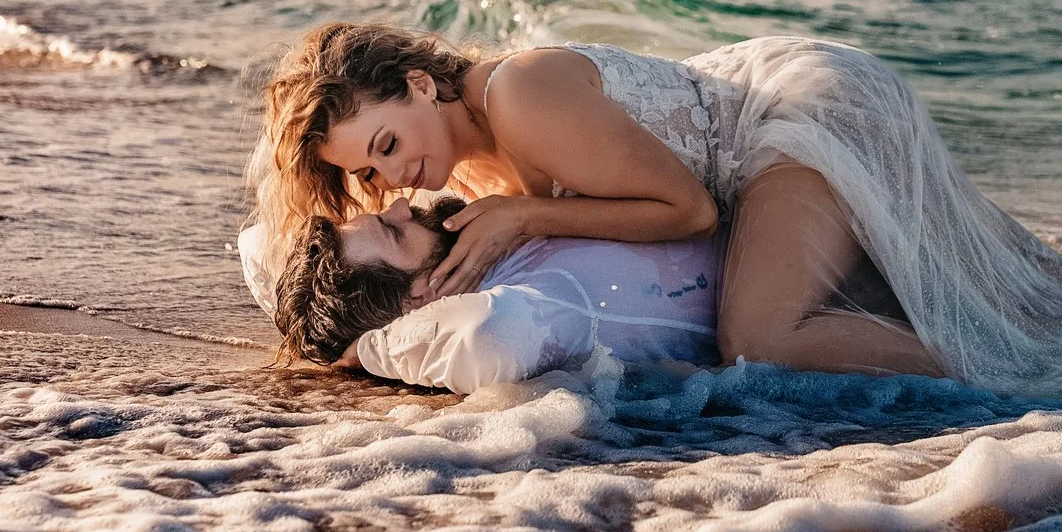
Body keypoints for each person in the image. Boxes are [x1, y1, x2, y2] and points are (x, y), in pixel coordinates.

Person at [246, 25, 1062, 400]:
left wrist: (528, 215)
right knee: (1036, 280)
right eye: (369, 179)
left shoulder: (514, 97)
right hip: (762, 136)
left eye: (386, 142)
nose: (393, 180)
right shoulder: (474, 178)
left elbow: (678, 207)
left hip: (793, 117)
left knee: (761, 333)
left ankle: (1017, 385)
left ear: (421, 84)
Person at [256, 197, 723, 392]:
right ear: (415, 303)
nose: (401, 205)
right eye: (392, 231)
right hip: (783, 275)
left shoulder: (485, 243)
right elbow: (490, 335)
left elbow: (253, 244)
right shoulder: (539, 303)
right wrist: (371, 349)